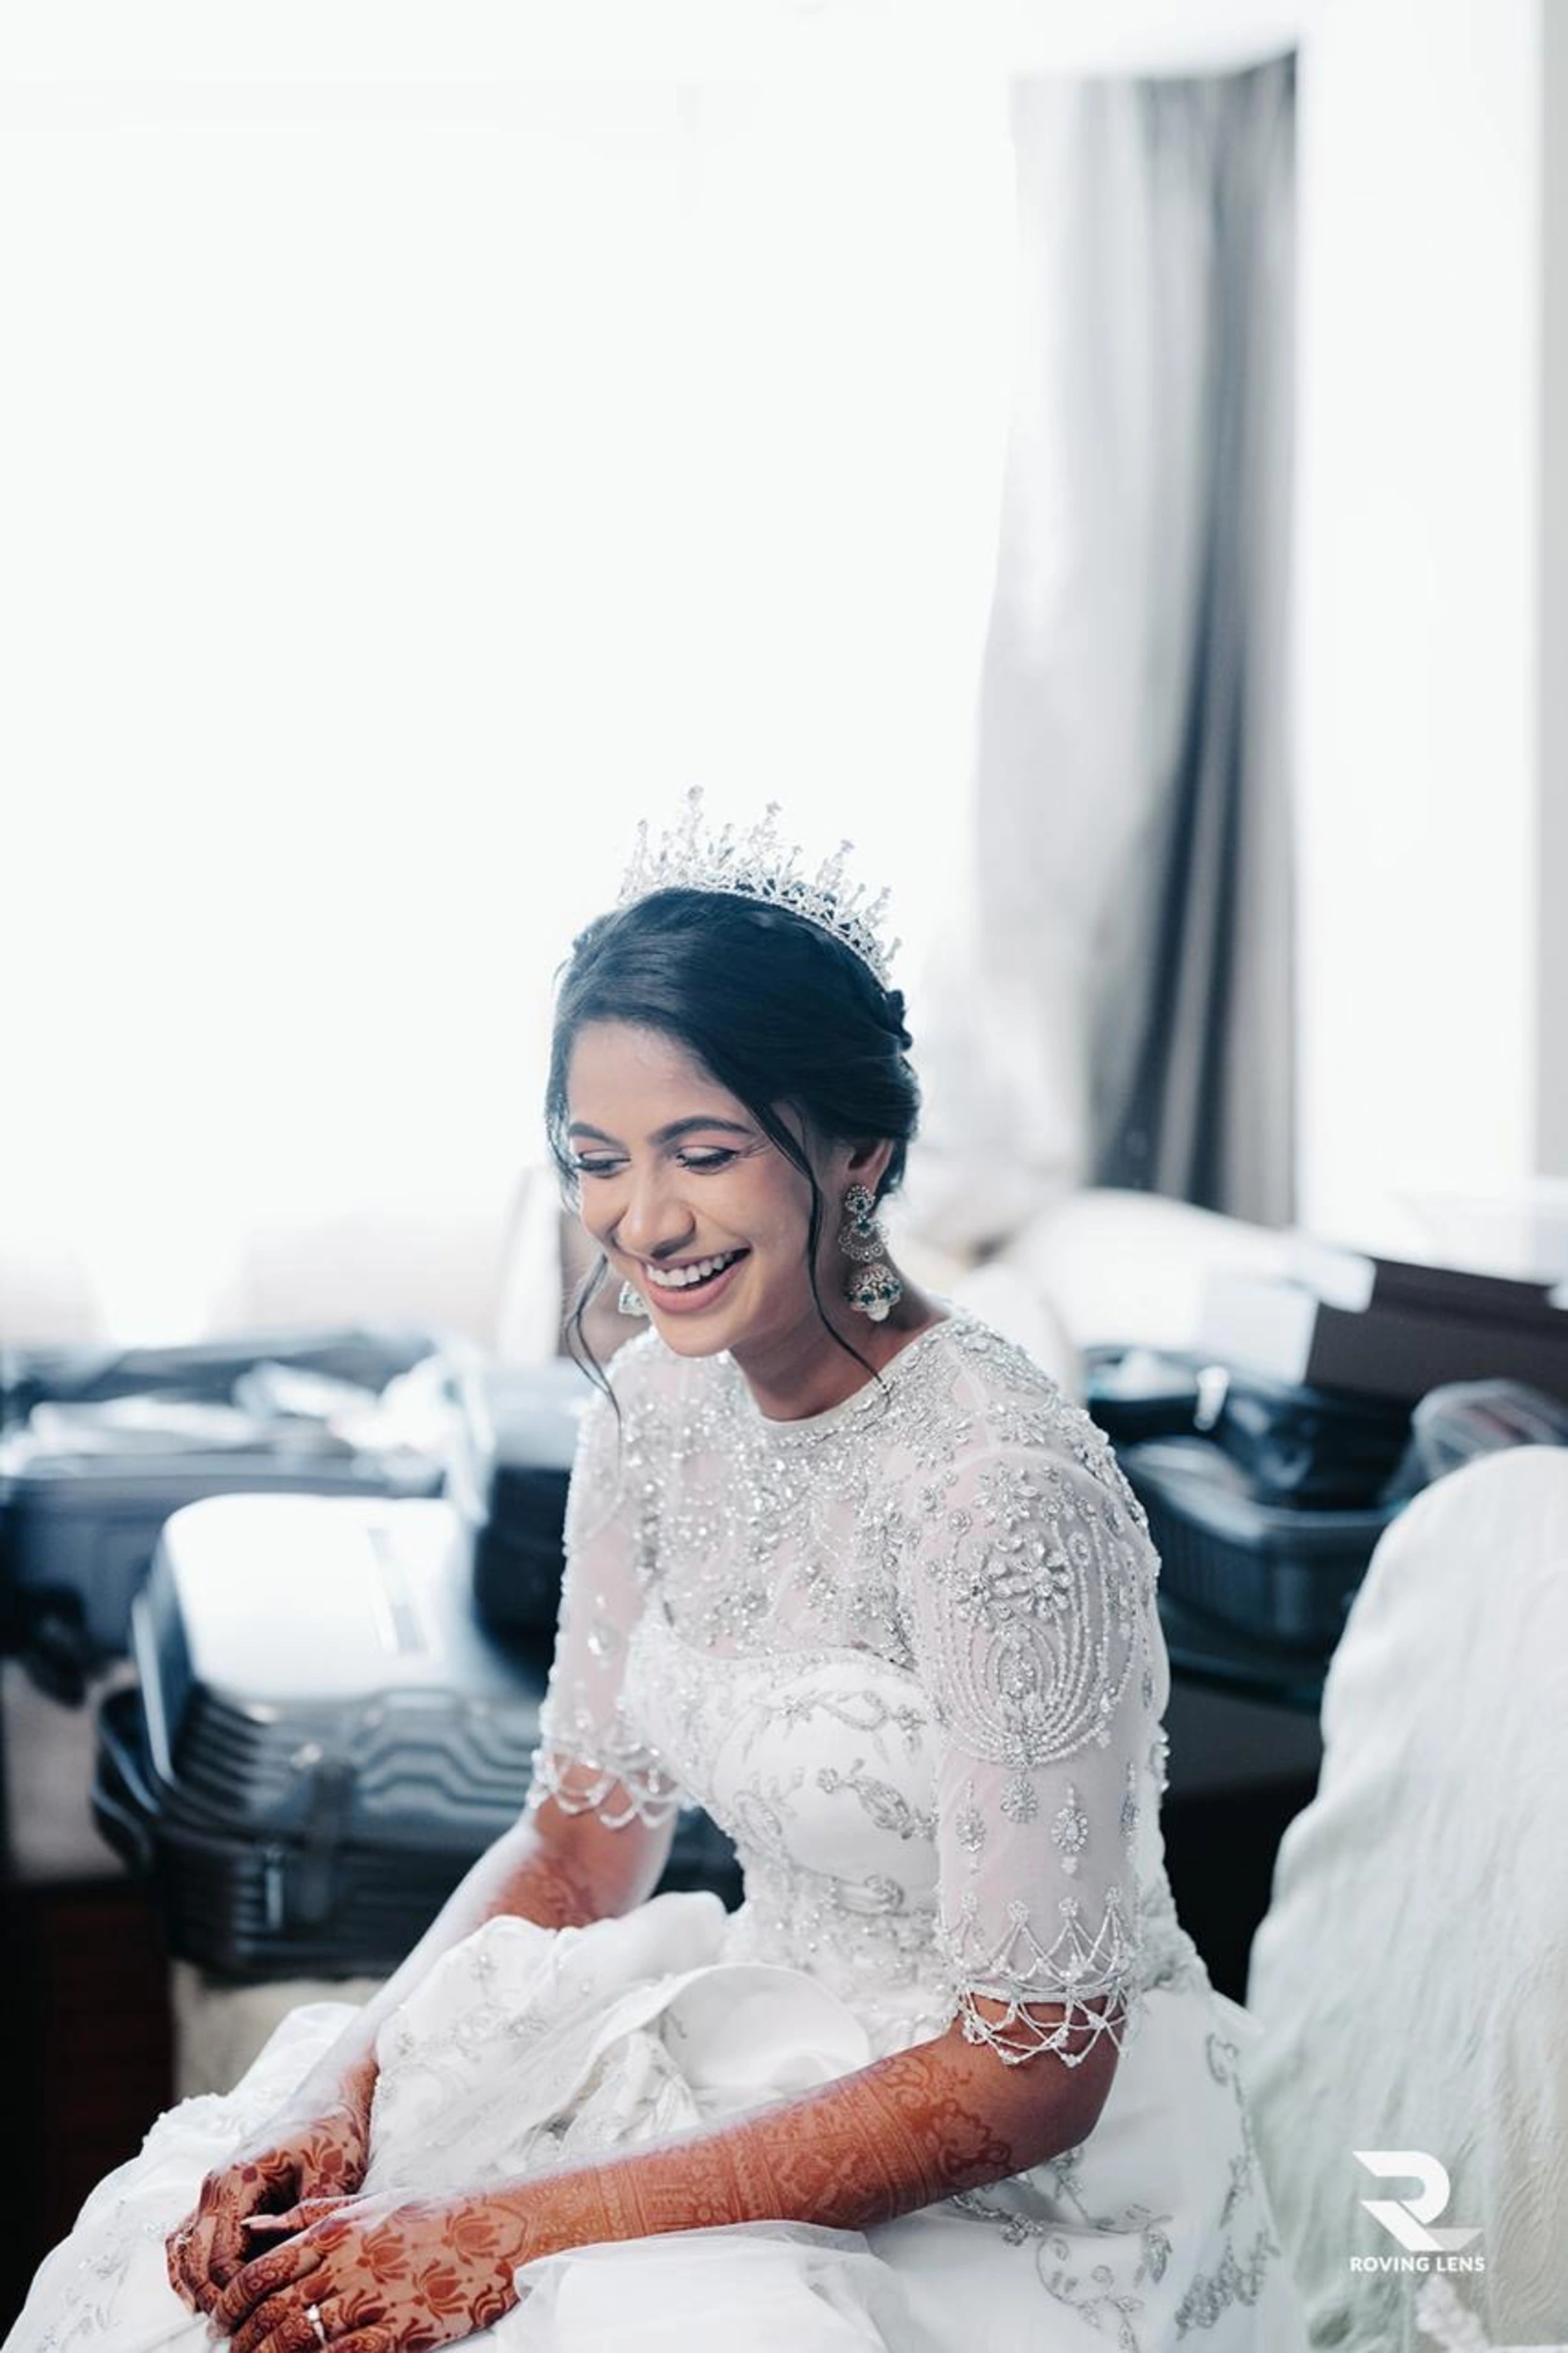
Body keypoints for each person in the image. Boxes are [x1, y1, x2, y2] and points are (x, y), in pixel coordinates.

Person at [6, 793, 1308, 2353]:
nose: (643, 1220)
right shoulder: (652, 1419)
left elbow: (1032, 2068)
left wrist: (498, 2230)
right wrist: (342, 2082)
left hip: (1020, 2161)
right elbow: (573, 1848)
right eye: (597, 1160)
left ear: (855, 1152)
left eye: (704, 1153)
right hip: (767, 2023)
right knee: (216, 2266)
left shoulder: (1000, 1493)